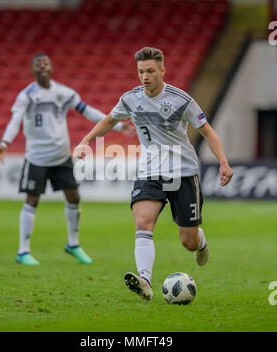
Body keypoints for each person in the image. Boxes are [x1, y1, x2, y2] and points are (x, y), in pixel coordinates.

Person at [73, 47, 233, 301]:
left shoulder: (181, 100)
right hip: (149, 171)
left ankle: (200, 240)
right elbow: (109, 121)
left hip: (183, 172)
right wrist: (85, 141)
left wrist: (223, 162)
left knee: (187, 241)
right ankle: (145, 280)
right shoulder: (130, 99)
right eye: (140, 72)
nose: (144, 76)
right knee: (142, 223)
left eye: (150, 71)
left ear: (162, 71)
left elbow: (207, 131)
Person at [0, 54, 134, 266]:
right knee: (32, 200)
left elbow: (88, 111)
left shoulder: (64, 92)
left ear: (51, 68)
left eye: (45, 63)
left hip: (61, 156)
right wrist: (4, 143)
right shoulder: (26, 96)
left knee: (74, 197)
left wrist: (116, 125)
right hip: (37, 157)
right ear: (33, 71)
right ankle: (23, 251)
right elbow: (15, 120)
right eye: (38, 64)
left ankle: (73, 244)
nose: (42, 66)